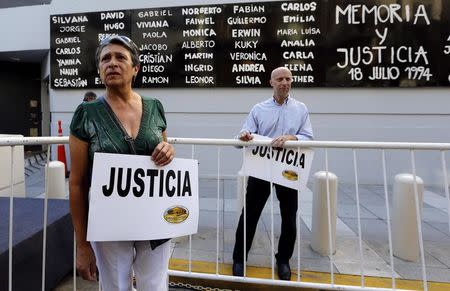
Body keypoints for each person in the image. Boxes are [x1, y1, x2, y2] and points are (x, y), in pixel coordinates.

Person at [69, 35, 175, 291]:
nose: (112, 63)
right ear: (99, 69)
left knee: (155, 284)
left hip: (153, 216)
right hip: (109, 221)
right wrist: (82, 245)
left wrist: (168, 150)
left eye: (120, 57)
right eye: (106, 58)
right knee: (115, 285)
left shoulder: (154, 107)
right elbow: (77, 184)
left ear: (135, 68)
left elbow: (164, 149)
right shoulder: (86, 114)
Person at [232, 67, 313, 281]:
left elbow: (309, 138)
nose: (284, 82)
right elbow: (240, 139)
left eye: (288, 79)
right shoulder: (258, 109)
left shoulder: (301, 109)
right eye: (280, 79)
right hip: (261, 169)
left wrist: (292, 138)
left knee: (289, 217)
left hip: (288, 171)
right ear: (271, 82)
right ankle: (239, 258)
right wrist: (245, 137)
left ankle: (283, 260)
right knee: (250, 214)